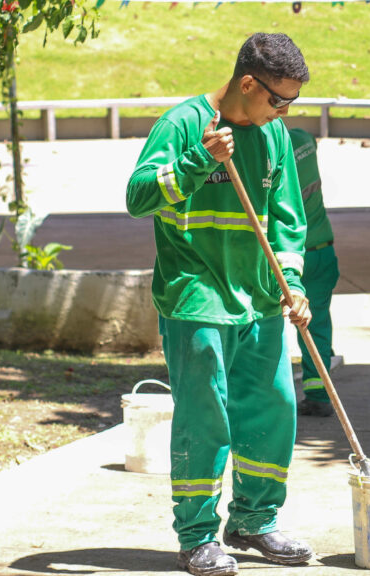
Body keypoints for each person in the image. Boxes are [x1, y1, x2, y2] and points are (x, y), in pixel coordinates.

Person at [126, 33, 314, 576]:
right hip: (196, 294)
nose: (284, 111)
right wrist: (193, 162)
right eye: (279, 99)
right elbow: (138, 197)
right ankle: (197, 536)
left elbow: (287, 221)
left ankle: (254, 521)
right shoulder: (184, 124)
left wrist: (293, 284)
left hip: (257, 297)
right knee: (205, 416)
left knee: (273, 406)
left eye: (291, 103)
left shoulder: (273, 135)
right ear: (248, 84)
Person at [287, 127, 340, 418]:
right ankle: (320, 391)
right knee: (316, 326)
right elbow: (310, 139)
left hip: (293, 257)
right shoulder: (303, 140)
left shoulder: (269, 151)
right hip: (323, 249)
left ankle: (315, 395)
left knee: (262, 328)